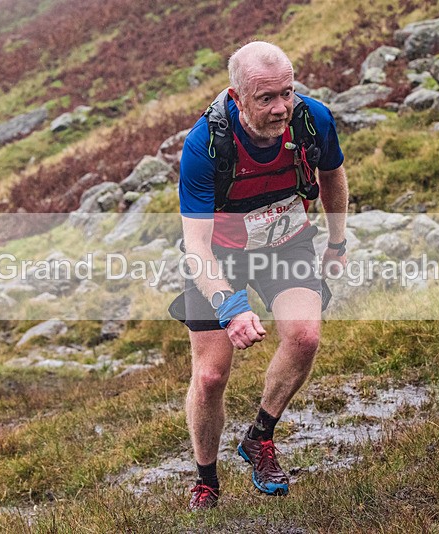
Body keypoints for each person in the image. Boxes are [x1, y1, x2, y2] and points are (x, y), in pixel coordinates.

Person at [172, 41, 348, 510]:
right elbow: (196, 245)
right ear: (237, 97)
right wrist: (230, 306)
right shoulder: (205, 145)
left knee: (305, 336)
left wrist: (336, 241)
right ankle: (206, 480)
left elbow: (332, 174)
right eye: (266, 98)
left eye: (287, 93)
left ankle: (259, 438)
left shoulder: (314, 120)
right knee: (210, 376)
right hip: (221, 254)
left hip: (285, 243)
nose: (282, 108)